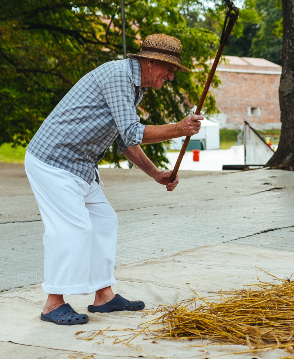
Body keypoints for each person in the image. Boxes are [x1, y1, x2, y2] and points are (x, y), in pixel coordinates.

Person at [25, 34, 203, 326]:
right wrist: (180, 128)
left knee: (104, 221)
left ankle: (104, 296)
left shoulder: (135, 87)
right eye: (168, 68)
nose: (171, 76)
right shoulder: (118, 76)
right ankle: (52, 304)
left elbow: (125, 140)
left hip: (80, 165)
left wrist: (155, 173)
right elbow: (133, 132)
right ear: (148, 62)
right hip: (53, 161)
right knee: (72, 229)